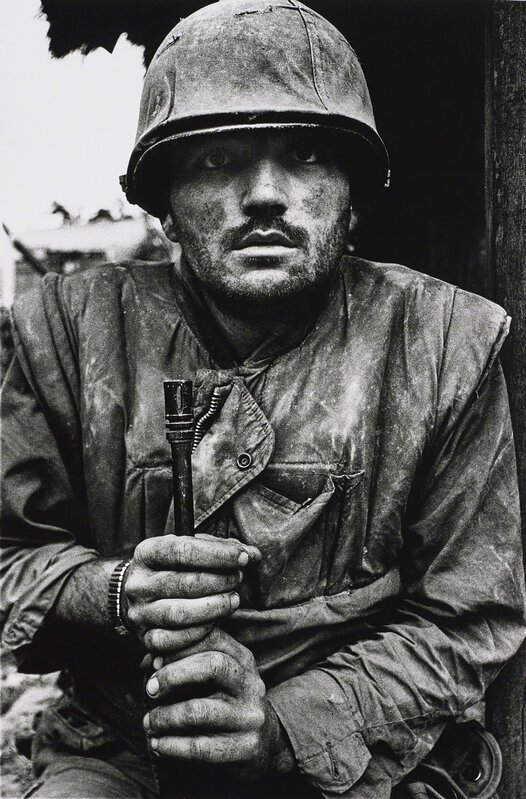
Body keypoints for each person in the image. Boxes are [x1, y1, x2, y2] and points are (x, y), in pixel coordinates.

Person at [2, 1, 525, 797]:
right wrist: (112, 591)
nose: (265, 194)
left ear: (354, 195)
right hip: (123, 745)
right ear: (164, 198)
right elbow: (10, 557)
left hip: (359, 748)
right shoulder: (64, 333)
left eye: (307, 154)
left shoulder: (446, 342)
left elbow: (469, 617)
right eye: (216, 160)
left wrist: (286, 727)